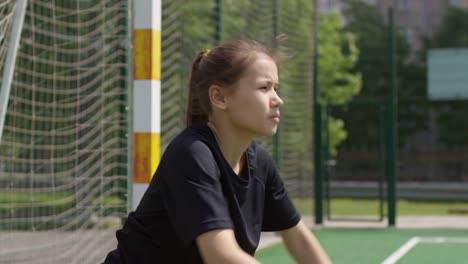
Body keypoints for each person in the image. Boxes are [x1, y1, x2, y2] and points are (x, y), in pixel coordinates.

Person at [103, 39, 331, 264]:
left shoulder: (260, 163)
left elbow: (299, 240)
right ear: (219, 97)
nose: (278, 100)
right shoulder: (191, 154)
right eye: (264, 87)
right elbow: (221, 255)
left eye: (276, 88)